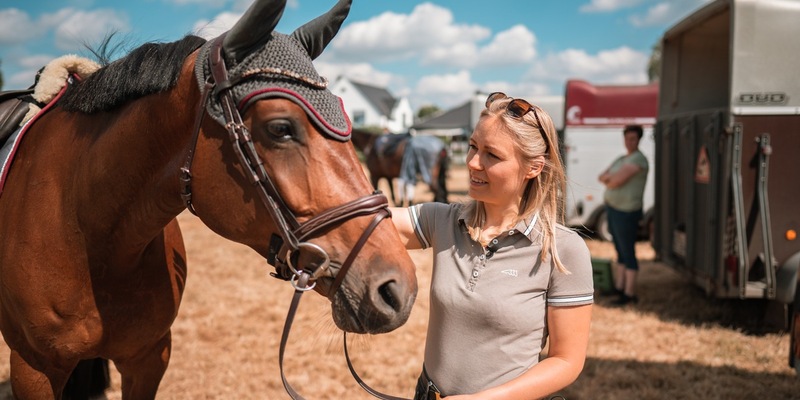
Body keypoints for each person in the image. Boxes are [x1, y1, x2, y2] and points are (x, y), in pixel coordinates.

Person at [391, 92, 594, 399]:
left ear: (534, 168)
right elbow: (361, 222)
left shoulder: (563, 250)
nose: (473, 163)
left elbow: (566, 361)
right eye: (473, 146)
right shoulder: (444, 221)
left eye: (492, 155)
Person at [597, 125, 648, 306]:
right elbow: (601, 176)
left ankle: (629, 293)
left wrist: (610, 180)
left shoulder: (639, 159)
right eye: (627, 138)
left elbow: (616, 181)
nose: (629, 142)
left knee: (628, 252)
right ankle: (620, 288)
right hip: (614, 209)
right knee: (619, 251)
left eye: (633, 139)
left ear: (639, 140)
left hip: (627, 212)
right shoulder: (622, 158)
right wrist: (610, 179)